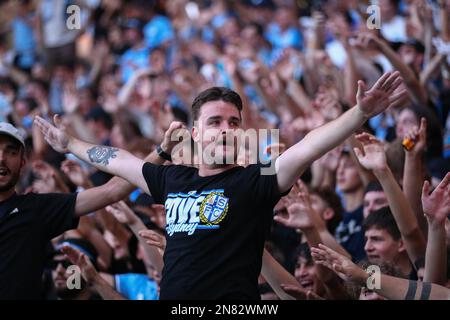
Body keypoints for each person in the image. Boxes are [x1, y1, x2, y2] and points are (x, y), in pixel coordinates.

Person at [35, 71, 406, 299]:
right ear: (195, 132)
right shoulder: (171, 177)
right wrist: (70, 145)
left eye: (234, 121)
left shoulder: (255, 179)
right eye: (215, 122)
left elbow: (308, 145)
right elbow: (118, 159)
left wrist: (360, 113)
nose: (227, 128)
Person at [0, 121, 165, 299]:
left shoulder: (35, 209)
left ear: (23, 162)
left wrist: (163, 151)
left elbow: (112, 191)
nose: (2, 158)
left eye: (11, 152)